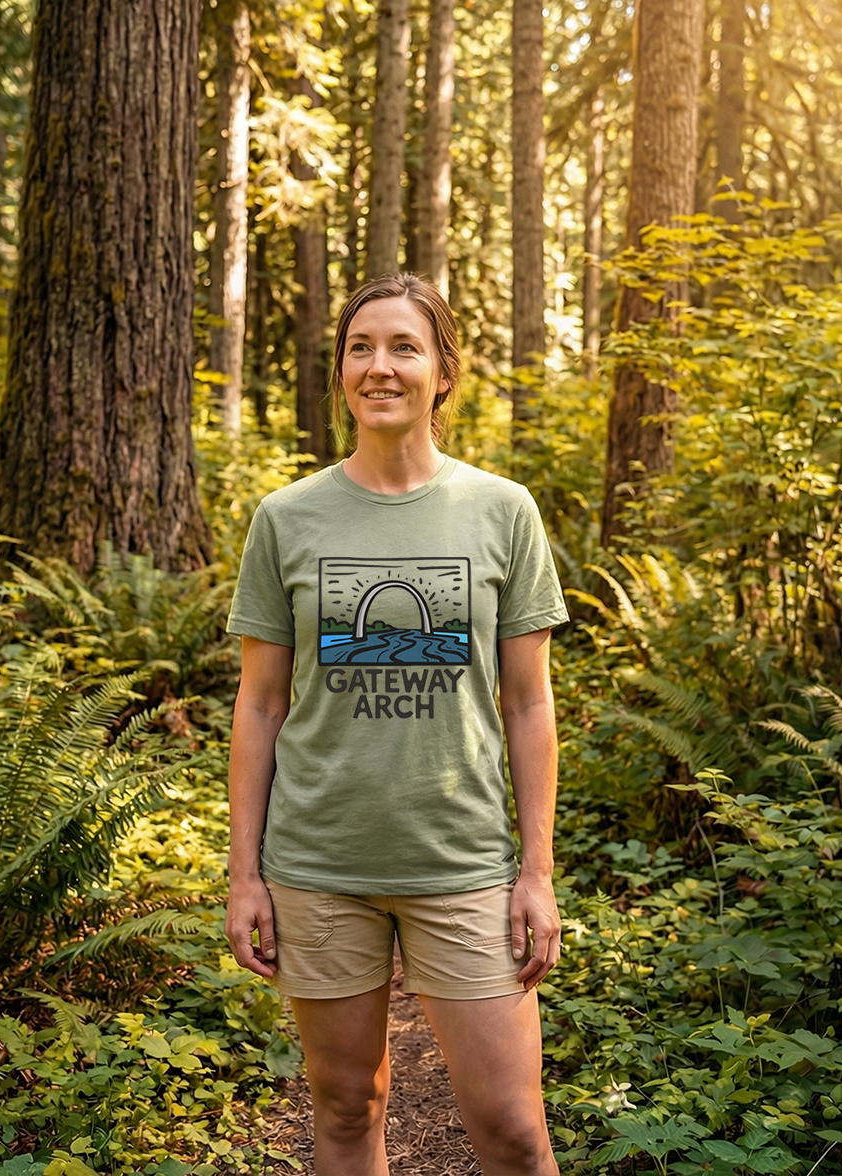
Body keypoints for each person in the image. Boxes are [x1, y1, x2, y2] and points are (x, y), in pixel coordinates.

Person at [224, 273, 567, 1176]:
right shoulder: (286, 518)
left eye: (404, 347)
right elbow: (260, 705)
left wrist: (536, 873)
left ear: (443, 372)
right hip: (319, 866)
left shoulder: (503, 511)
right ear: (341, 371)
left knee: (513, 1131)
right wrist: (244, 875)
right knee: (347, 1108)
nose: (380, 366)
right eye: (360, 348)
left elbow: (528, 703)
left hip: (462, 863)